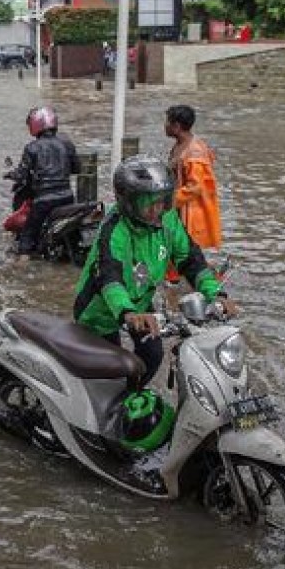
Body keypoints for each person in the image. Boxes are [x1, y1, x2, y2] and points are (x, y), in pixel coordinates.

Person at [73, 155, 237, 379]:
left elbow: (190, 259)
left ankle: (134, 397)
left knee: (152, 354)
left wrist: (215, 293)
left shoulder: (167, 218)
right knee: (109, 371)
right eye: (147, 202)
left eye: (161, 200)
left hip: (140, 301)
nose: (156, 209)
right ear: (129, 201)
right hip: (99, 311)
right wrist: (128, 313)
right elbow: (110, 279)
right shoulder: (114, 230)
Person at [13, 106, 81, 255]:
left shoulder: (32, 148)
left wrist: (14, 175)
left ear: (35, 124)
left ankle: (22, 263)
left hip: (44, 200)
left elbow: (22, 175)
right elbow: (77, 168)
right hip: (67, 197)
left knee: (27, 235)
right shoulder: (67, 144)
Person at [165, 105, 222, 250]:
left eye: (167, 122)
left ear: (177, 126)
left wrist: (168, 202)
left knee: (186, 249)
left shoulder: (194, 152)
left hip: (191, 212)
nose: (164, 126)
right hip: (178, 208)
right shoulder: (179, 145)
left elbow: (195, 188)